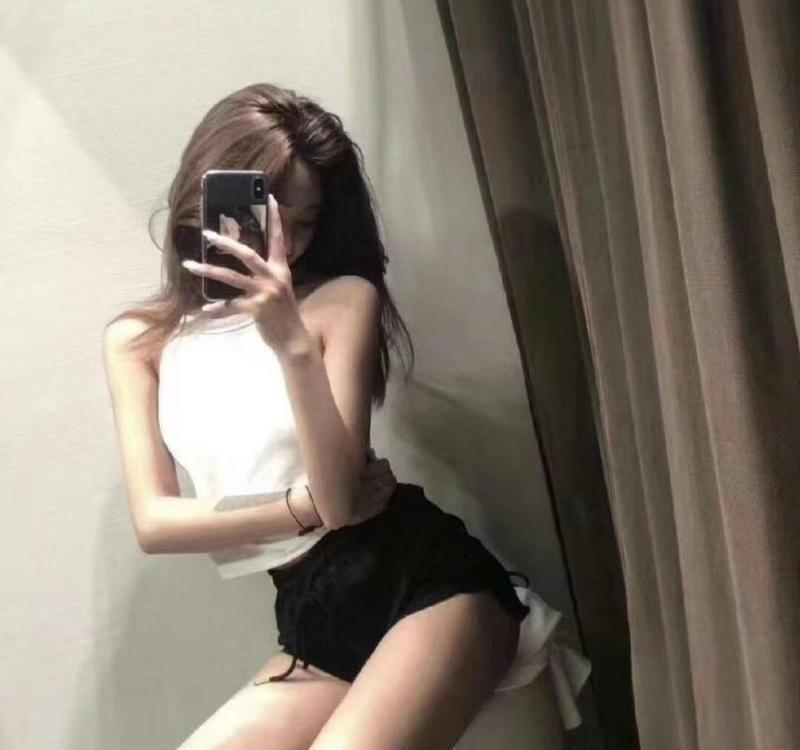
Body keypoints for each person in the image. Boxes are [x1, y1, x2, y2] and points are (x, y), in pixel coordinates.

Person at [102, 82, 561, 750]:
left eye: (307, 222)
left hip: (424, 583)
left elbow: (342, 502)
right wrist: (298, 506)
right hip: (311, 615)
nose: (286, 243)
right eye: (271, 215)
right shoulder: (139, 341)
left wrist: (290, 342)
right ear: (211, 196)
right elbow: (155, 522)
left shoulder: (342, 300)